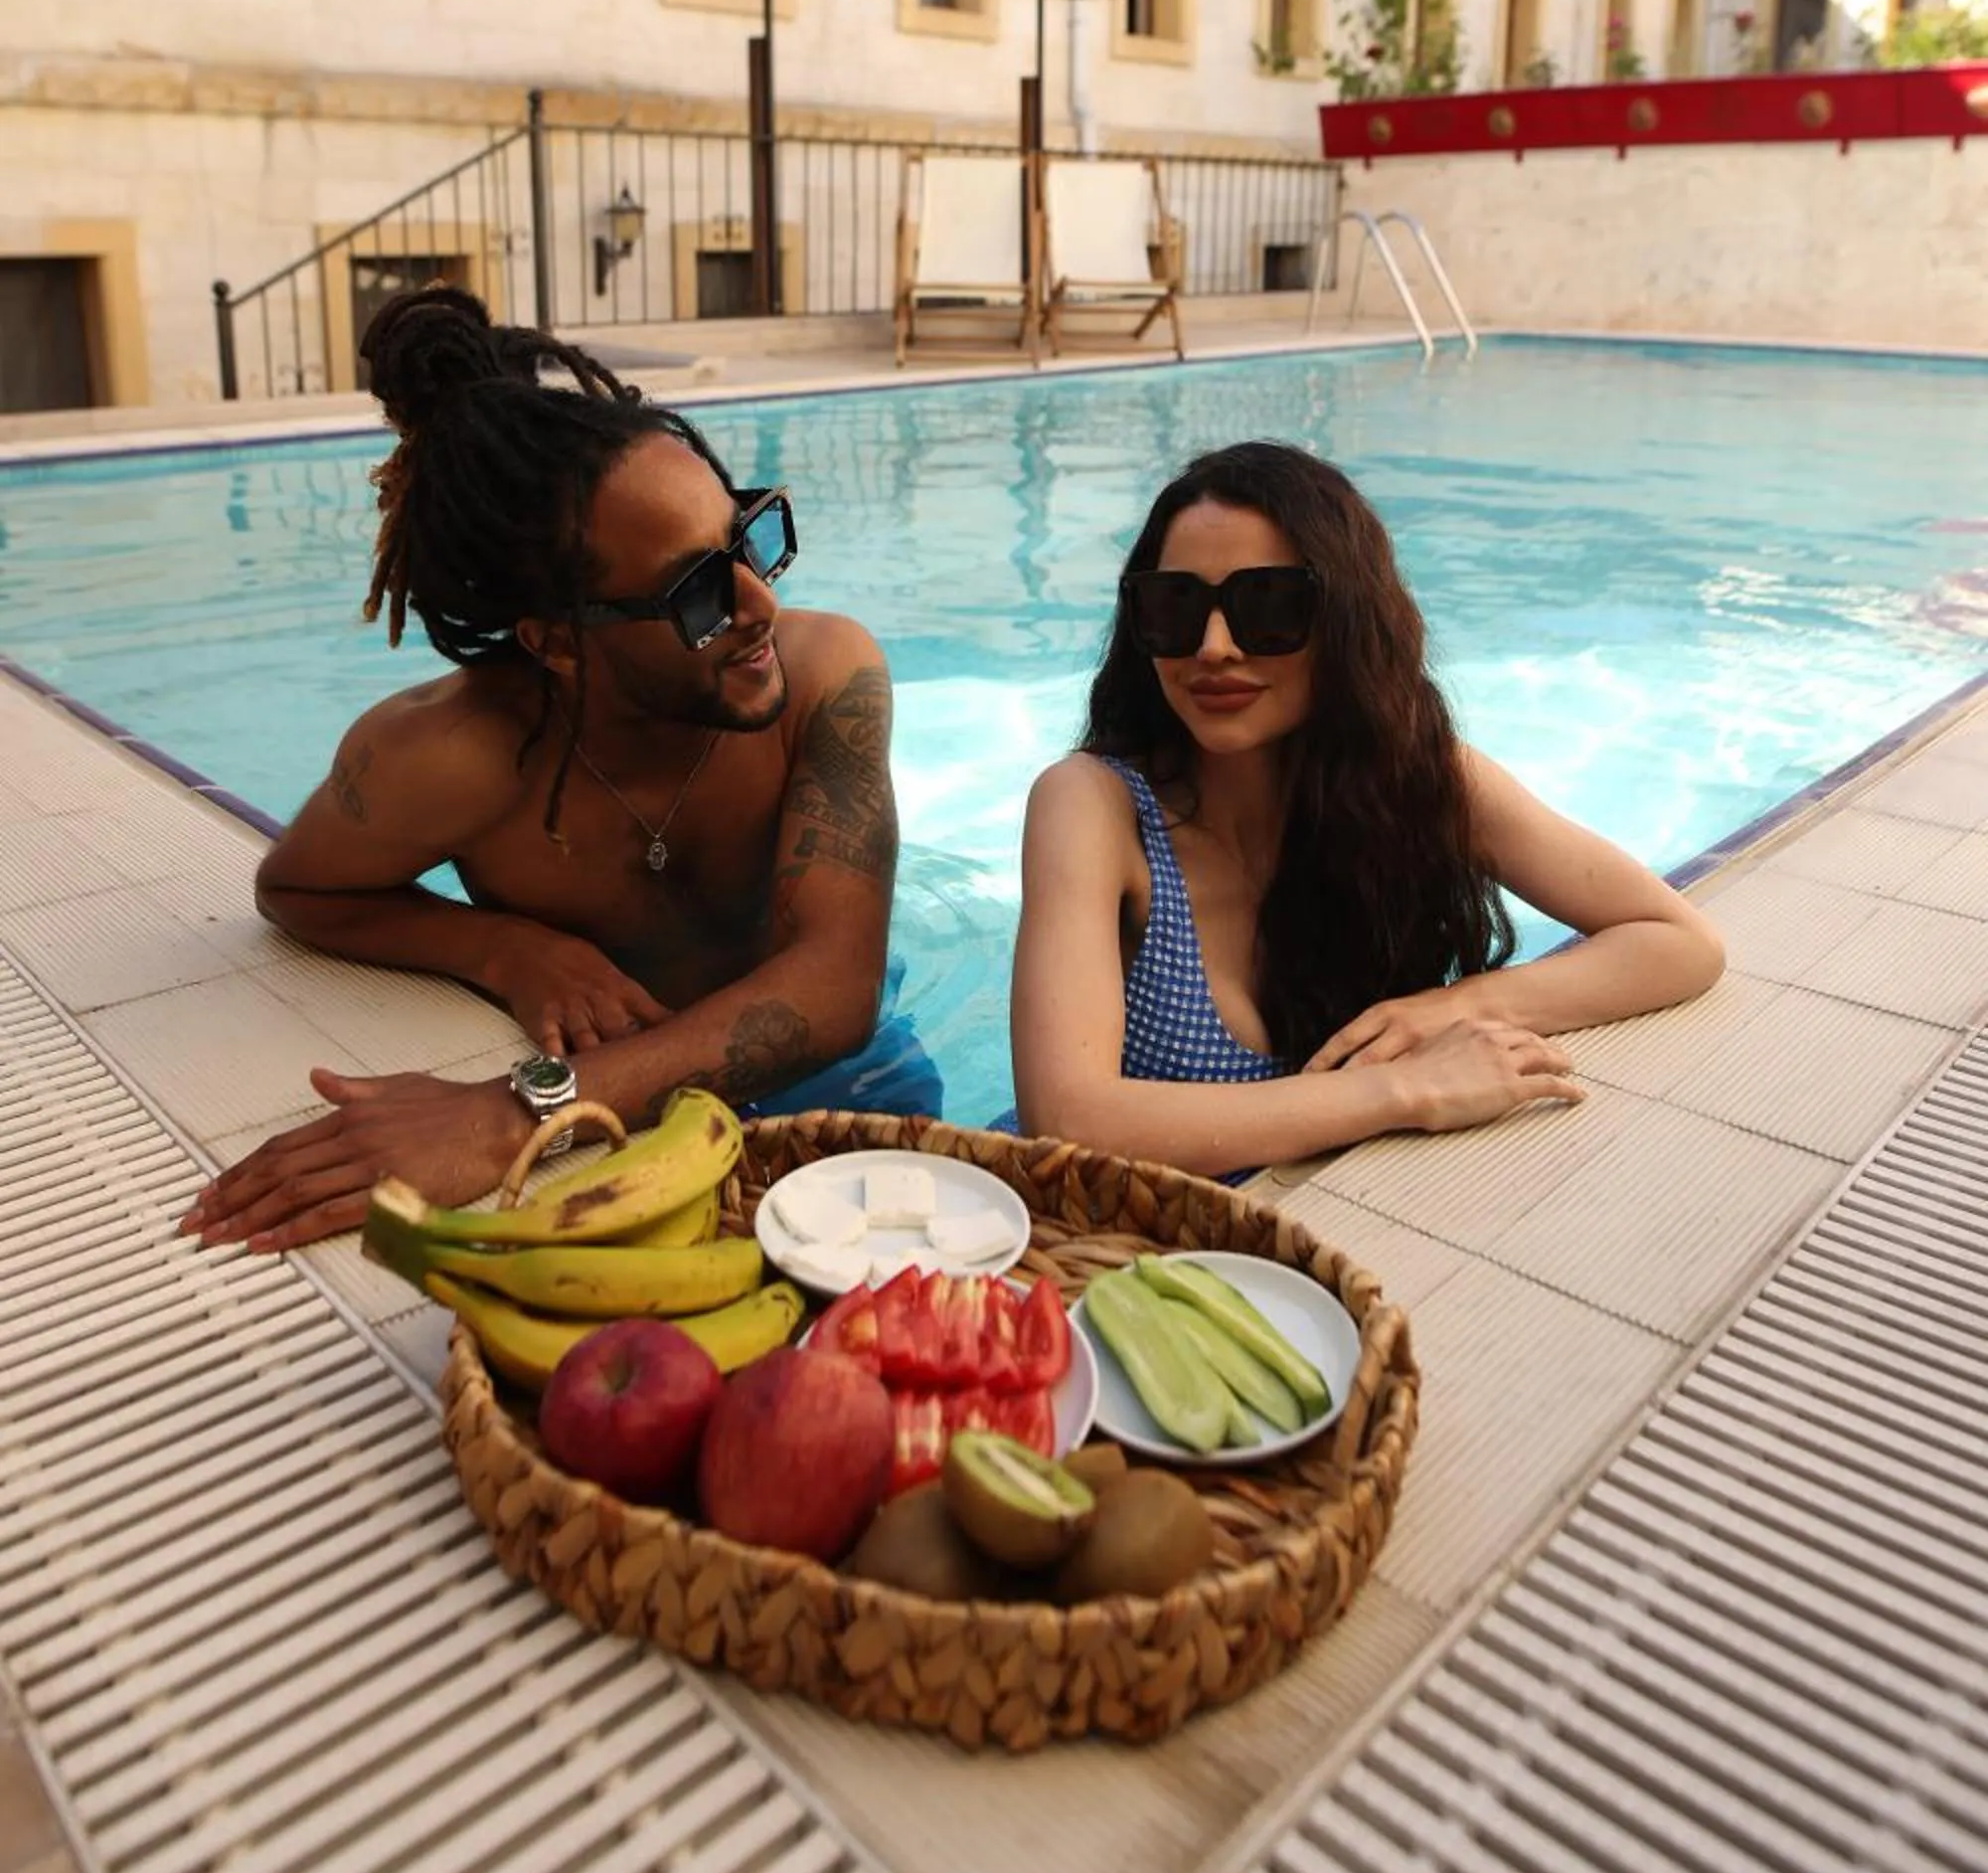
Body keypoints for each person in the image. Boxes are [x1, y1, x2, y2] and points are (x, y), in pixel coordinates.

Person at [183, 285, 938, 1255]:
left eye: (746, 537)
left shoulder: (826, 677)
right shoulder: (451, 757)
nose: (756, 602)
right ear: (558, 644)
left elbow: (834, 988)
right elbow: (297, 888)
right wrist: (503, 949)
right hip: (624, 1115)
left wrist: (514, 1114)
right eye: (696, 591)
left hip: (840, 1077)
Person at [1011, 439, 1724, 1179]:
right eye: (1175, 605)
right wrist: (1401, 1088)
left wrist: (1448, 1011)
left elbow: (1678, 942)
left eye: (1269, 605)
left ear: (1347, 621)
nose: (1214, 646)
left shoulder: (1416, 781)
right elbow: (1068, 1119)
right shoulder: (1094, 805)